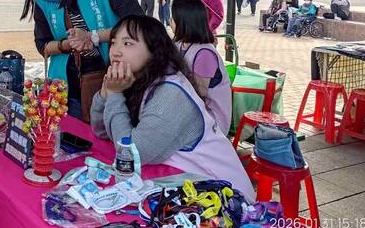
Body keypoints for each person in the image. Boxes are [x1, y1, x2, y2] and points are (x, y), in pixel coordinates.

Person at [90, 15, 254, 201]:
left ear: (154, 50)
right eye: (113, 43)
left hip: (224, 197)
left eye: (127, 44)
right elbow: (101, 130)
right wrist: (106, 92)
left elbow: (131, 154)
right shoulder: (136, 79)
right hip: (184, 188)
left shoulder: (170, 92)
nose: (115, 52)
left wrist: (115, 94)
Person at [171, 0, 232, 135]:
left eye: (173, 18)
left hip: (210, 121)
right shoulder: (180, 44)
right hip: (190, 111)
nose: (170, 22)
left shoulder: (205, 54)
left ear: (184, 21)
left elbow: (199, 95)